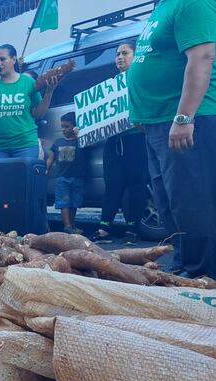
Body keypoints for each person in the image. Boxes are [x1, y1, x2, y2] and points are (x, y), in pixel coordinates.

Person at [128, 0, 216, 279]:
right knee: (168, 202)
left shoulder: (192, 3)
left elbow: (203, 56)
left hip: (187, 119)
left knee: (191, 200)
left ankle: (203, 275)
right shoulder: (162, 7)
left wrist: (184, 117)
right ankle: (186, 262)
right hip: (158, 123)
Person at [0, 44, 57, 212]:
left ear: (13, 59)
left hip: (24, 143)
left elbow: (38, 113)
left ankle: (25, 227)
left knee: (24, 187)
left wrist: (49, 93)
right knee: (0, 188)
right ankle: (0, 224)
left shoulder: (27, 82)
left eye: (2, 59)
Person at [89, 43, 149, 244]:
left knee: (136, 185)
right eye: (117, 54)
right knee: (112, 185)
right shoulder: (109, 86)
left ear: (135, 55)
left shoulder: (142, 79)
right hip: (114, 141)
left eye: (125, 53)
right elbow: (98, 116)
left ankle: (133, 227)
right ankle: (105, 227)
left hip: (136, 139)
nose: (120, 57)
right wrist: (86, 128)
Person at [46, 112, 89, 235]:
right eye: (62, 127)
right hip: (62, 178)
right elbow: (51, 157)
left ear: (74, 127)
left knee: (74, 202)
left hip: (77, 177)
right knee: (64, 202)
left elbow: (90, 145)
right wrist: (47, 168)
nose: (64, 129)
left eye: (67, 126)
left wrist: (79, 135)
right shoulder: (58, 142)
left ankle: (72, 224)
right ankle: (67, 225)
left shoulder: (81, 141)